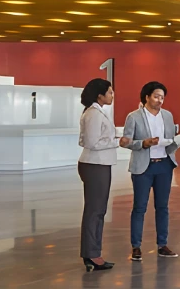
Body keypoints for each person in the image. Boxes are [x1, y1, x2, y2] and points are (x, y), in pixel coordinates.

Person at [121, 80, 180, 260]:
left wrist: (175, 142)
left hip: (164, 164)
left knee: (162, 207)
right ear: (146, 97)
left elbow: (170, 138)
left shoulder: (168, 116)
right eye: (156, 96)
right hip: (143, 167)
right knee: (139, 207)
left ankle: (162, 244)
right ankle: (136, 246)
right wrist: (143, 143)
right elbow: (126, 141)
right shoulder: (134, 117)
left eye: (162, 97)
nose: (159, 100)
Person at [77, 78, 118, 272]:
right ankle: (91, 254)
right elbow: (92, 143)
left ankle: (93, 252)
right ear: (99, 95)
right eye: (109, 92)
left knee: (98, 210)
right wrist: (117, 142)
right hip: (95, 164)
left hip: (99, 163)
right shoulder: (93, 113)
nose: (112, 95)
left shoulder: (97, 111)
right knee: (95, 211)